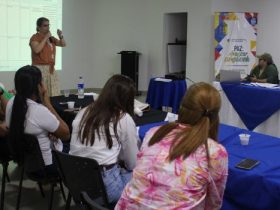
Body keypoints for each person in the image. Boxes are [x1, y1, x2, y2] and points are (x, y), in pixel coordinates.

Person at [115, 82, 228, 210]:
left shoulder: (154, 133)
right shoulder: (215, 152)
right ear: (216, 116)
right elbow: (213, 203)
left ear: (181, 107)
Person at [69, 74, 139, 203]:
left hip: (76, 183)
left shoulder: (83, 112)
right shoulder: (123, 119)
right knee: (143, 175)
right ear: (128, 99)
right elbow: (132, 163)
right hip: (105, 190)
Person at [6, 65, 70, 176]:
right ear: (38, 86)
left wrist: (47, 132)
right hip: (47, 167)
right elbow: (66, 134)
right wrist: (47, 103)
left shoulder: (11, 103)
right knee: (78, 147)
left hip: (26, 164)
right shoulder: (38, 110)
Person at [29, 17, 66, 96]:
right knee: (43, 94)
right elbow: (36, 50)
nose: (48, 27)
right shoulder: (35, 37)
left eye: (48, 25)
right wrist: (45, 38)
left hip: (51, 68)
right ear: (39, 27)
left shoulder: (51, 38)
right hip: (39, 69)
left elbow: (63, 44)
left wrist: (61, 36)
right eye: (45, 25)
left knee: (53, 93)